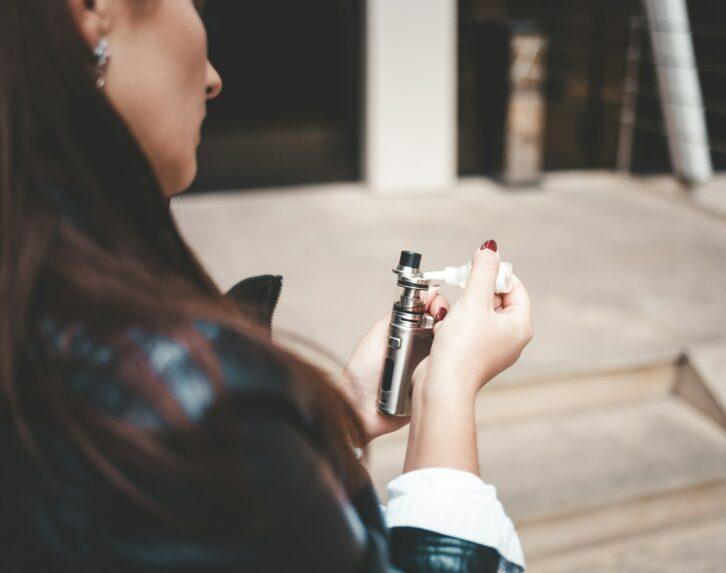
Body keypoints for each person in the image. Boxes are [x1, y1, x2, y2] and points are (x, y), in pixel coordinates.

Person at [0, 1, 535, 571]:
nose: (213, 80)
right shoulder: (176, 399)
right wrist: (446, 394)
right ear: (94, 11)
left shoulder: (40, 307)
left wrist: (344, 415)